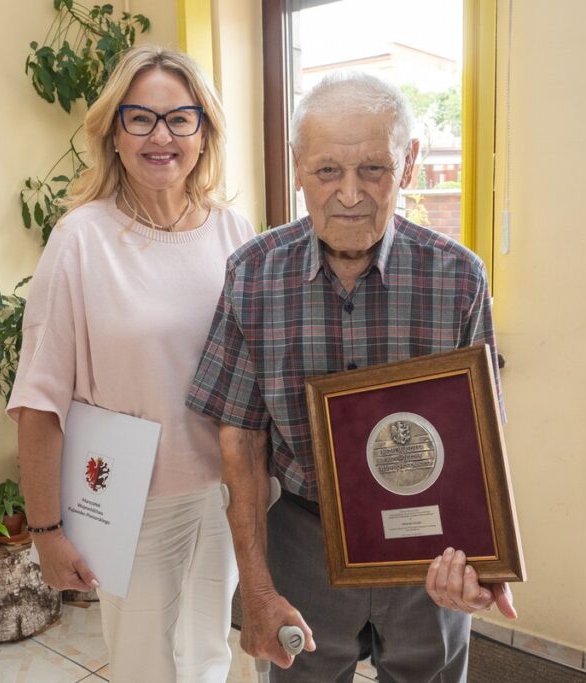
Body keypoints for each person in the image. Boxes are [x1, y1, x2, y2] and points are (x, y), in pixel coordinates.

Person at [187, 71, 516, 683]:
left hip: (430, 542)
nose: (349, 194)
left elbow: (482, 436)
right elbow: (240, 441)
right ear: (296, 167)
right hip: (303, 538)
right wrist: (256, 591)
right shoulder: (253, 276)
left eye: (374, 169)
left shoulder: (457, 279)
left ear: (409, 163)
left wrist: (484, 560)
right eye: (327, 171)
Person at [6, 46, 255, 682]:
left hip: (228, 491)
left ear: (205, 131)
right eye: (139, 118)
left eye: (180, 118)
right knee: (147, 666)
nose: (160, 136)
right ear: (113, 133)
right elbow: (38, 398)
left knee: (208, 653)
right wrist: (46, 530)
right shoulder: (81, 239)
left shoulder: (235, 233)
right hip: (131, 500)